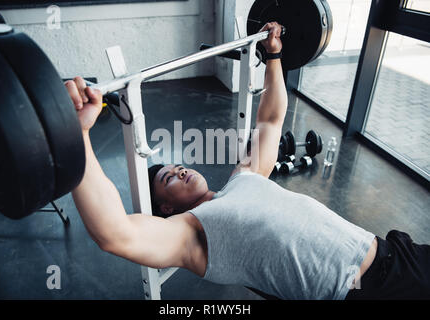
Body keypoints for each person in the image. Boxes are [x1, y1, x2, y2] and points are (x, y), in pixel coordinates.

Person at [65, 22, 430, 300]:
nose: (178, 169)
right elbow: (115, 233)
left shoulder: (244, 178)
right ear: (165, 207)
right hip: (367, 290)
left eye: (176, 166)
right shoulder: (192, 236)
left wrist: (272, 57)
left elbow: (270, 120)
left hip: (394, 250)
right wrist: (78, 135)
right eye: (169, 179)